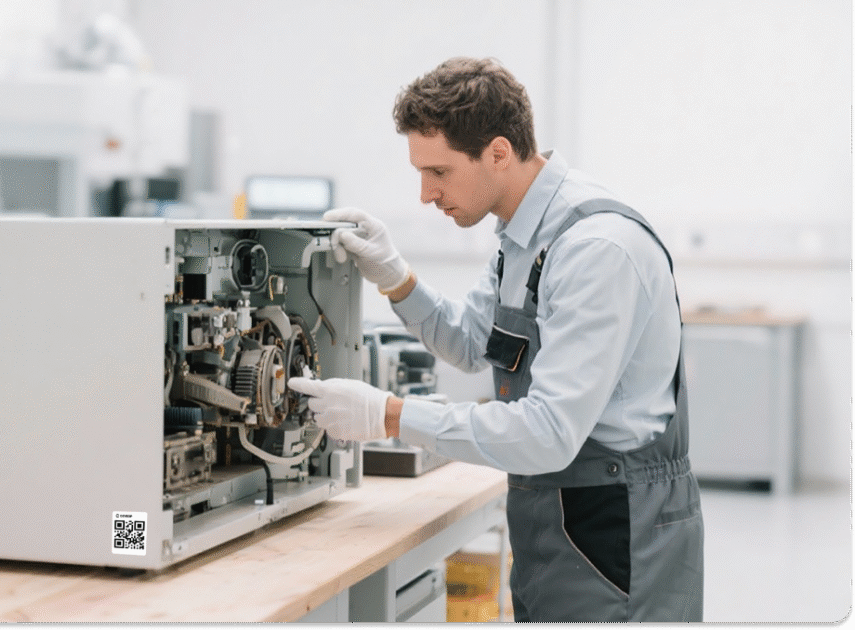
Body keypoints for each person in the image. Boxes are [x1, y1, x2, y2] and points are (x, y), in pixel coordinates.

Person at [288, 56, 704, 623]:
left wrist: (389, 415)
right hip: (558, 520)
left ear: (499, 153)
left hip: (617, 530)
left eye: (439, 172)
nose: (424, 194)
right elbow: (470, 342)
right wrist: (396, 277)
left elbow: (550, 433)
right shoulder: (521, 234)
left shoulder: (594, 250)